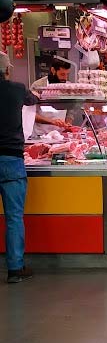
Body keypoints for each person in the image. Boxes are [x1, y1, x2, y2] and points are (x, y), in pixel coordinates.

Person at [0, 51, 40, 283]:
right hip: (11, 159)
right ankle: (15, 269)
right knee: (14, 217)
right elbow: (33, 98)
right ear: (7, 70)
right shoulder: (15, 89)